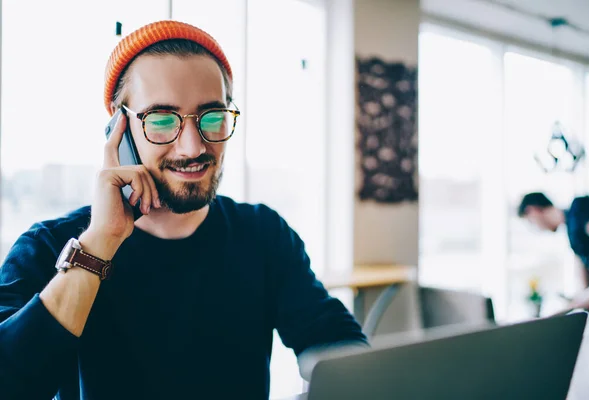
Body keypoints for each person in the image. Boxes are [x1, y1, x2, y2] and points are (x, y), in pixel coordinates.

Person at [0, 20, 368, 399]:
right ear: (119, 128)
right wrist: (99, 245)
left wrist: (345, 381)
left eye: (211, 117)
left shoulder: (262, 233)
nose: (193, 147)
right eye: (162, 120)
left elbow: (333, 342)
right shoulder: (49, 245)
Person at [518, 192, 589, 312]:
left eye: (530, 222)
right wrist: (579, 299)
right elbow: (584, 282)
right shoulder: (572, 236)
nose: (535, 228)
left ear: (532, 210)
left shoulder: (580, 208)